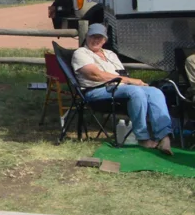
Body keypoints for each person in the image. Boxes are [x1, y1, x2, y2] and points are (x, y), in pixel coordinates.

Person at [71, 23, 172, 154]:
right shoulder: (81, 53)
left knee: (155, 92)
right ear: (87, 37)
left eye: (99, 37)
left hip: (119, 88)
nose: (96, 40)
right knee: (136, 91)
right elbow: (95, 75)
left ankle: (164, 137)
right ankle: (142, 137)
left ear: (105, 40)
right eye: (92, 37)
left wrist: (130, 82)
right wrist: (131, 81)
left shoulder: (110, 54)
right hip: (96, 91)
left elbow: (121, 74)